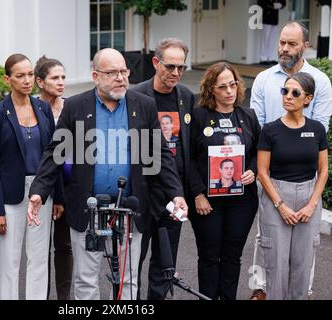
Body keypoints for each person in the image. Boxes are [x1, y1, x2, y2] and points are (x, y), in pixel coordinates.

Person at [27, 48, 188, 300]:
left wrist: (176, 193)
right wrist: (38, 191)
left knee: (128, 279)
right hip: (87, 206)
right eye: (112, 72)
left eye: (123, 71)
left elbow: (161, 154)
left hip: (130, 208)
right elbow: (54, 153)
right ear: (95, 75)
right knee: (85, 280)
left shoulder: (144, 105)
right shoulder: (76, 106)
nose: (121, 77)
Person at [250, 21, 332, 300]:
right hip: (270, 172)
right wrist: (271, 149)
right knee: (267, 240)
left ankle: (301, 292)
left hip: (305, 177)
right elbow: (256, 124)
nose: (284, 48)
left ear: (305, 46)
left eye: (292, 43)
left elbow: (318, 130)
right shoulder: (263, 79)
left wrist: (311, 200)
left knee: (305, 248)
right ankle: (262, 290)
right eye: (281, 42)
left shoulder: (320, 81)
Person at [0, 53, 65, 300]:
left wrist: (58, 197)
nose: (27, 80)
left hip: (41, 193)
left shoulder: (43, 108)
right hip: (10, 196)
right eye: (20, 75)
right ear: (7, 79)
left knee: (39, 258)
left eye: (30, 74)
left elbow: (54, 156)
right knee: (10, 260)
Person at [189, 62, 261, 300]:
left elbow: (257, 153)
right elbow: (187, 157)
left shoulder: (247, 115)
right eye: (223, 87)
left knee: (232, 256)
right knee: (209, 256)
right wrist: (197, 193)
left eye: (233, 84)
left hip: (242, 201)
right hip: (207, 201)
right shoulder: (198, 116)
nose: (230, 91)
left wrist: (253, 172)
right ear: (211, 89)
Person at [132, 37, 195, 300]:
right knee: (134, 260)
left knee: (164, 262)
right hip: (143, 190)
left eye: (181, 67)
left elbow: (191, 146)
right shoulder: (135, 96)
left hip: (173, 193)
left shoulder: (187, 97)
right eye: (170, 67)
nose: (176, 73)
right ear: (156, 62)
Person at [34, 55, 73, 300]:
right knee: (39, 249)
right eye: (54, 78)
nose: (61, 83)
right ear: (40, 81)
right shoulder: (31, 109)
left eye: (63, 77)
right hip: (41, 186)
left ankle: (64, 299)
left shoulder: (72, 107)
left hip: (69, 187)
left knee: (65, 246)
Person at [258, 0, 286, 65]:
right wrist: (272, 5)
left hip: (275, 18)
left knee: (272, 39)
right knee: (264, 39)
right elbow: (260, 3)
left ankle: (271, 57)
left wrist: (280, 5)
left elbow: (283, 3)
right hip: (267, 17)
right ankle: (263, 58)